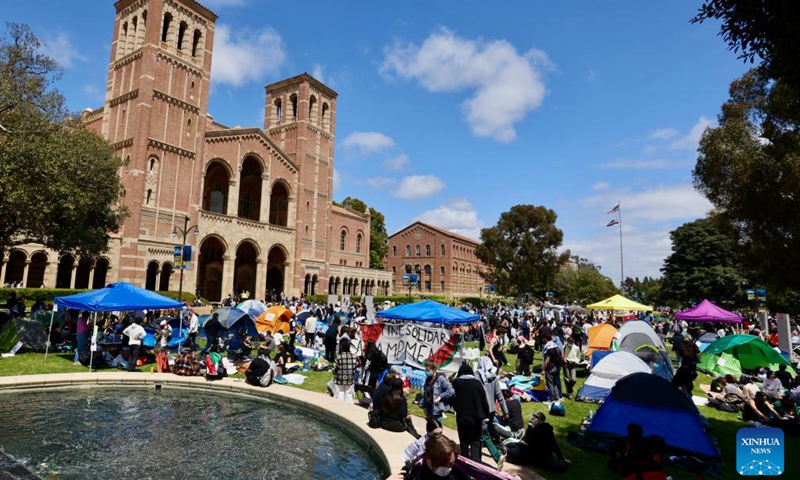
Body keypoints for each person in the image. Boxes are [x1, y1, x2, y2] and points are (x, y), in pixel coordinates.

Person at [452, 363, 491, 462]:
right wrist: (486, 413)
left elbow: (452, 397)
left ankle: (464, 463)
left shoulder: (456, 383)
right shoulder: (477, 383)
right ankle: (475, 463)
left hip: (462, 417)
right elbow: (483, 399)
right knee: (475, 442)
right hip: (476, 418)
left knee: (464, 441)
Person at [505, 412, 570, 472]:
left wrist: (529, 427)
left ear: (538, 420)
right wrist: (561, 458)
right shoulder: (548, 429)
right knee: (515, 445)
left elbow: (527, 440)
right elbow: (555, 445)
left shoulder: (537, 429)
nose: (532, 419)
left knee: (513, 450)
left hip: (535, 455)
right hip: (541, 455)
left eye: (533, 418)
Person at [390, 432, 469, 480]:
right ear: (428, 457)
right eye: (442, 464)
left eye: (451, 463)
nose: (448, 468)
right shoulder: (413, 472)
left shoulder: (460, 475)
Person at [420, 361, 454, 427]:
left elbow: (451, 391)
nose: (426, 372)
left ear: (433, 370)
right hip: (428, 408)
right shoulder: (428, 380)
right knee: (430, 428)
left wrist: (440, 397)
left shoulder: (440, 379)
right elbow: (425, 393)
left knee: (437, 428)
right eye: (425, 370)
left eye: (428, 370)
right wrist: (424, 406)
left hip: (437, 409)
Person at [332, 337, 357, 403]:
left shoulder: (339, 357)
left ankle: (340, 407)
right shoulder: (354, 357)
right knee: (348, 394)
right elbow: (355, 367)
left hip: (340, 378)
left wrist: (335, 373)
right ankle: (349, 408)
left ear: (341, 348)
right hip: (350, 378)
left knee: (340, 393)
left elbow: (334, 368)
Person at [542, 332, 563, 402]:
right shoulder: (555, 345)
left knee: (550, 384)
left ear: (545, 339)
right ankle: (557, 397)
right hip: (557, 367)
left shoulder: (548, 347)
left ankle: (552, 399)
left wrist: (543, 369)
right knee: (555, 384)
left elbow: (547, 359)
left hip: (550, 367)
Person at [562, 334, 581, 399]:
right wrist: (564, 359)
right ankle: (569, 392)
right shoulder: (564, 347)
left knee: (573, 379)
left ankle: (569, 389)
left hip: (573, 364)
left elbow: (578, 357)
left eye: (571, 342)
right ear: (567, 341)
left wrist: (576, 361)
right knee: (566, 378)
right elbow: (562, 354)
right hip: (566, 363)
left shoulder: (576, 348)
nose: (570, 343)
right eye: (569, 342)